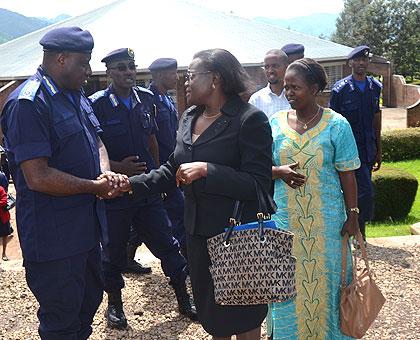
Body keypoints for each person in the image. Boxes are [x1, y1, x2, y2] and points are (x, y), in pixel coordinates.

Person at [111, 48, 274, 339]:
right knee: (214, 317)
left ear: (215, 79)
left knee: (245, 317)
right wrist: (129, 185)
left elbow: (258, 184)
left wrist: (209, 170)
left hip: (236, 236)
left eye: (191, 76)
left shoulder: (249, 120)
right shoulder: (189, 117)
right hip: (197, 235)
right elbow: (172, 168)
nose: (185, 82)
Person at [0, 26, 123, 339]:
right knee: (61, 321)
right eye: (83, 63)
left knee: (86, 309)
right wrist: (94, 186)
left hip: (86, 230)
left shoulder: (74, 95)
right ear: (61, 59)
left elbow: (96, 141)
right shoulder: (28, 104)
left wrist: (105, 172)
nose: (89, 70)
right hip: (54, 240)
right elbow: (37, 177)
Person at [89, 48, 196, 330]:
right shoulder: (97, 104)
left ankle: (184, 299)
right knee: (112, 252)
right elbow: (92, 149)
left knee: (169, 246)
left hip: (147, 193)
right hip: (116, 194)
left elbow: (153, 142)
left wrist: (159, 177)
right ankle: (114, 305)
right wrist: (116, 167)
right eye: (121, 68)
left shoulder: (147, 100)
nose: (128, 72)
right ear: (110, 72)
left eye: (131, 67)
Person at [268, 58, 360, 339]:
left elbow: (348, 174)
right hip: (285, 224)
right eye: (286, 87)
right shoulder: (275, 123)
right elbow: (256, 167)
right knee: (287, 287)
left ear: (316, 88)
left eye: (295, 87)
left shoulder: (337, 125)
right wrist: (277, 171)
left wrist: (353, 215)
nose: (289, 93)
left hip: (328, 227)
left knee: (332, 287)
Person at [330, 45, 382, 242]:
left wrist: (379, 149)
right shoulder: (340, 89)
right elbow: (332, 122)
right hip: (347, 150)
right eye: (357, 60)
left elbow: (376, 119)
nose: (361, 63)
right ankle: (353, 230)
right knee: (358, 191)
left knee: (365, 192)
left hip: (367, 149)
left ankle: (360, 232)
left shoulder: (374, 87)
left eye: (364, 60)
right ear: (350, 63)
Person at [148, 57, 187, 257]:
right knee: (178, 212)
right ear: (160, 75)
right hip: (162, 167)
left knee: (152, 217)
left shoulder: (166, 98)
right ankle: (183, 259)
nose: (177, 77)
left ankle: (128, 254)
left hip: (171, 165)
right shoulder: (150, 99)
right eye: (173, 73)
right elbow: (151, 138)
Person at [249, 49, 290, 119]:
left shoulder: (295, 97)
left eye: (275, 66)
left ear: (287, 67)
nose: (270, 71)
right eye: (266, 67)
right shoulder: (256, 100)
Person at [0, 170, 12, 261]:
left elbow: (4, 200)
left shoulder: (1, 189)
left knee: (4, 235)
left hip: (2, 217)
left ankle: (4, 253)